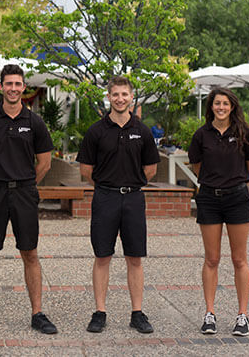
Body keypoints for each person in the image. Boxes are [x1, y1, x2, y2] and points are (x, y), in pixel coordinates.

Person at [0, 64, 56, 335]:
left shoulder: (35, 122)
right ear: (1, 87)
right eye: (9, 84)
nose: (13, 89)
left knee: (30, 253)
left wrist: (24, 184)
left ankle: (37, 314)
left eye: (18, 84)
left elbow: (45, 163)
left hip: (25, 192)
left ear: (23, 87)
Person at [77, 76, 160, 334]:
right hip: (105, 197)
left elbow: (151, 169)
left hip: (134, 199)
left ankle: (137, 313)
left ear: (131, 98)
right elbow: (86, 170)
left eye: (125, 94)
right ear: (109, 96)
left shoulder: (143, 131)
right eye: (115, 94)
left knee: (135, 257)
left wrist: (130, 184)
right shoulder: (96, 131)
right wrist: (108, 186)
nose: (120, 99)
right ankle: (100, 312)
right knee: (102, 256)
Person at [188, 87, 249, 336]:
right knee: (212, 259)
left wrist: (234, 184)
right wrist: (215, 181)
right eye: (217, 103)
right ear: (211, 107)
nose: (221, 107)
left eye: (225, 104)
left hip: (237, 198)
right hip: (208, 198)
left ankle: (242, 316)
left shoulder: (244, 132)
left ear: (232, 107)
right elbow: (197, 166)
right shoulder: (201, 135)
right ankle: (209, 314)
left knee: (239, 259)